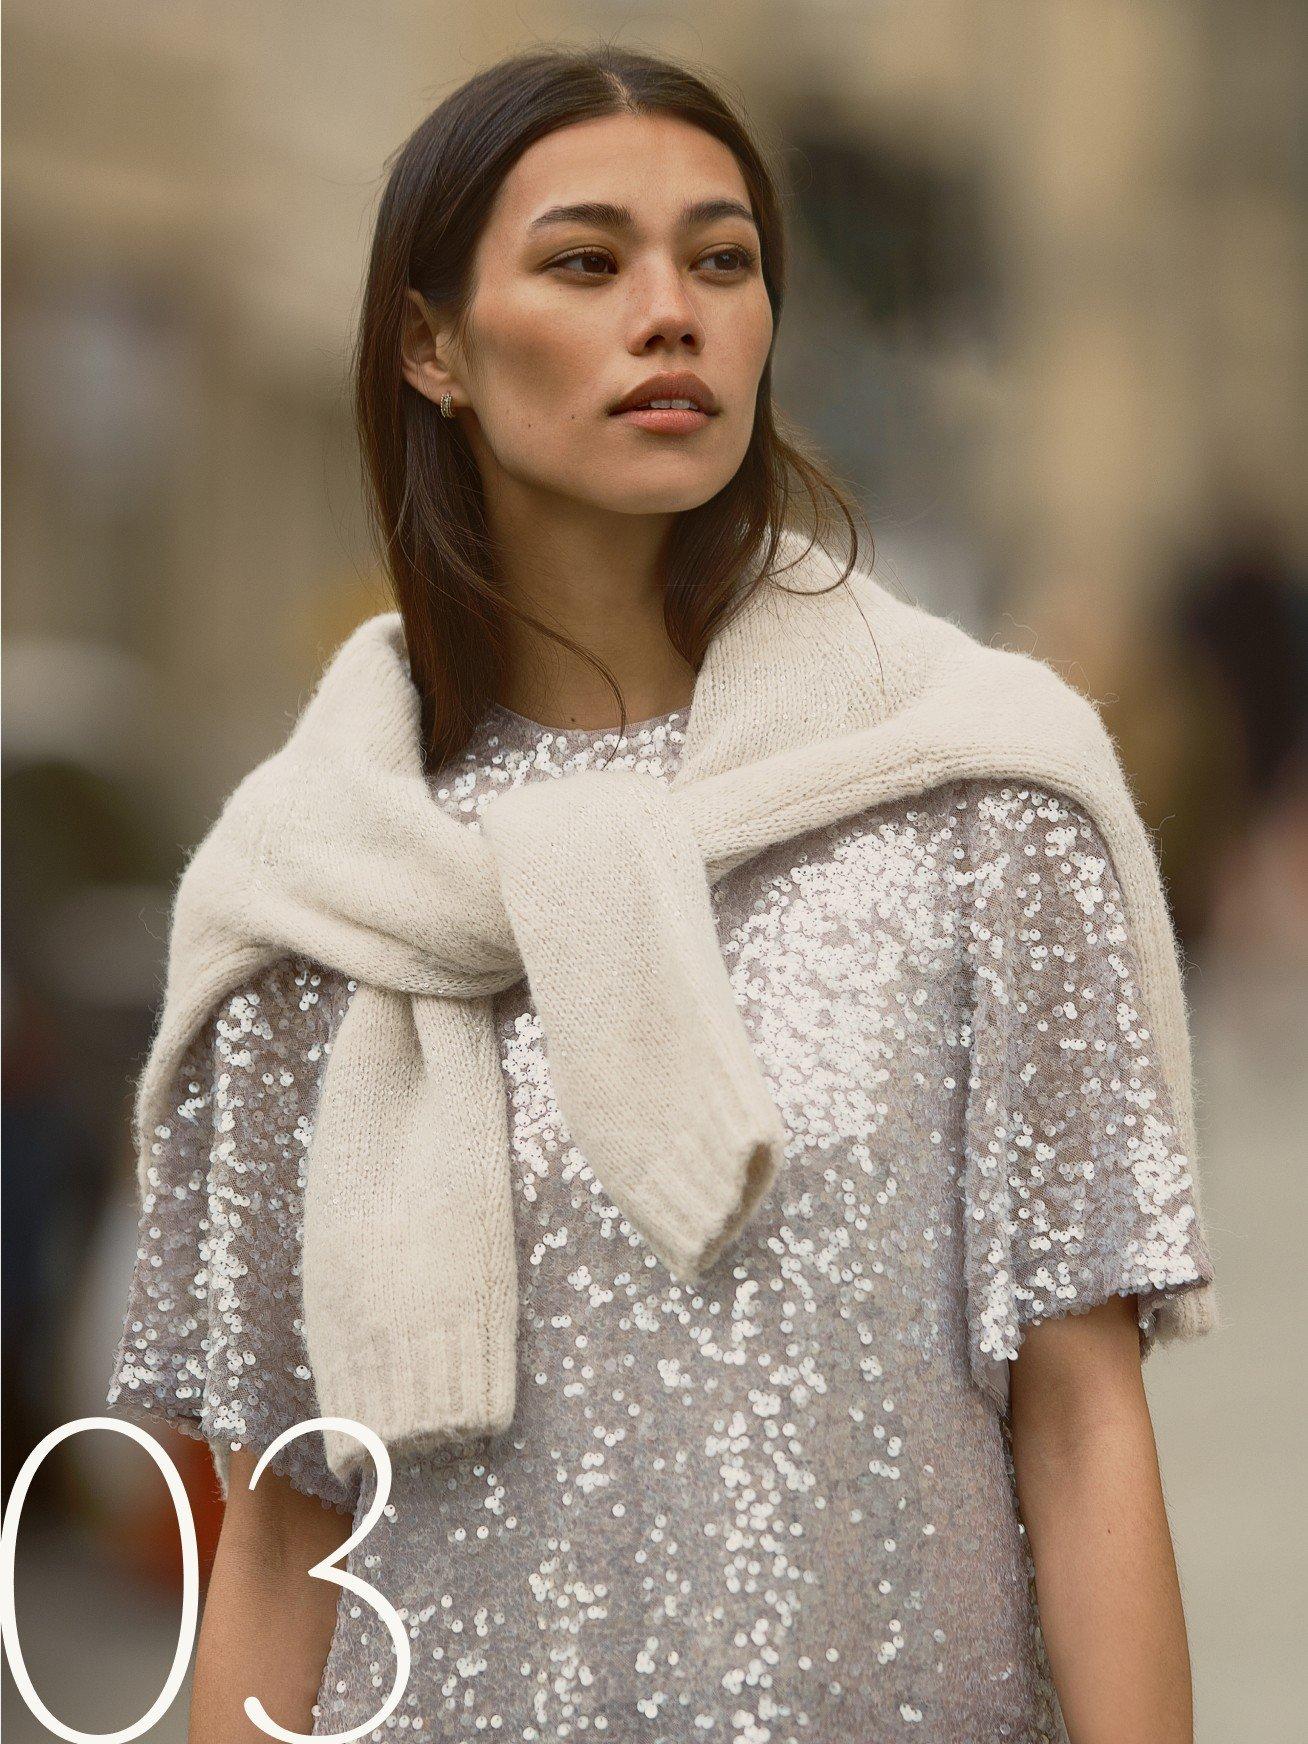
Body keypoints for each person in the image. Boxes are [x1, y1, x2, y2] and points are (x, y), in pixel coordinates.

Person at [105, 44, 1215, 1744]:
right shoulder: (308, 894)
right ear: (430, 347)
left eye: (721, 259)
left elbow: (1080, 1425)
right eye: (583, 261)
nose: (672, 311)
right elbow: (275, 1527)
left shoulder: (978, 794)